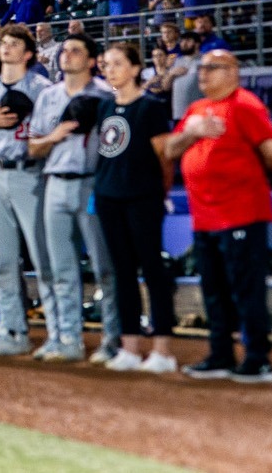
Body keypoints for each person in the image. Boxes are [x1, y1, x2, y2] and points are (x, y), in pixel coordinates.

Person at [163, 51, 272, 385]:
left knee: (246, 290)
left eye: (212, 68)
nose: (203, 74)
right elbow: (171, 150)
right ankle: (221, 354)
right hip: (205, 217)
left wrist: (243, 172)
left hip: (241, 214)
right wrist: (194, 132)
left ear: (232, 72)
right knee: (213, 291)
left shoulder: (245, 105)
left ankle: (258, 359)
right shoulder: (196, 109)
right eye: (201, 68)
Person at [27, 33, 122, 364]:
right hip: (55, 182)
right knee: (61, 267)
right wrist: (54, 136)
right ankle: (67, 338)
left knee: (104, 266)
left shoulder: (106, 94)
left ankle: (112, 339)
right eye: (64, 50)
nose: (66, 55)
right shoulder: (48, 96)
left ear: (92, 60)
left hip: (93, 184)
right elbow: (33, 147)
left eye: (76, 51)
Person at [0, 25, 57, 358]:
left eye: (14, 43)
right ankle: (12, 330)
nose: (6, 47)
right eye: (3, 42)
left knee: (43, 257)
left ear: (28, 53)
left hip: (30, 174)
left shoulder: (42, 89)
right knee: (3, 259)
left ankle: (60, 334)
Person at [93, 43, 179, 375]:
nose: (110, 70)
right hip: (108, 196)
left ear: (134, 68)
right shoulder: (105, 106)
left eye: (117, 63)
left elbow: (165, 157)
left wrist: (158, 193)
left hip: (143, 197)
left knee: (153, 270)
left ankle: (162, 349)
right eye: (106, 64)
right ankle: (129, 347)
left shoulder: (150, 107)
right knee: (122, 273)